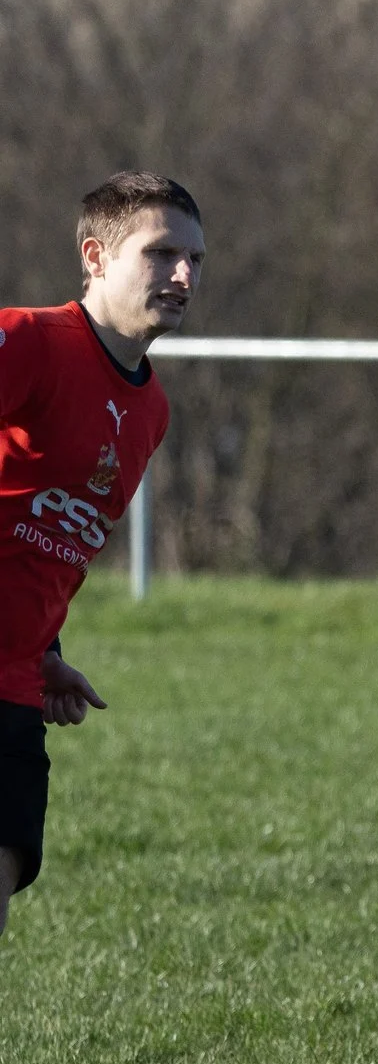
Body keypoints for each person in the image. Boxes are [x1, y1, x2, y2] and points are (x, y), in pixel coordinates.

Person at [0, 172, 201, 936]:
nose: (183, 276)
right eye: (161, 254)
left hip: (16, 682)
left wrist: (45, 646)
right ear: (96, 255)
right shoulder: (30, 340)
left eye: (195, 259)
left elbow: (49, 540)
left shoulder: (151, 410)